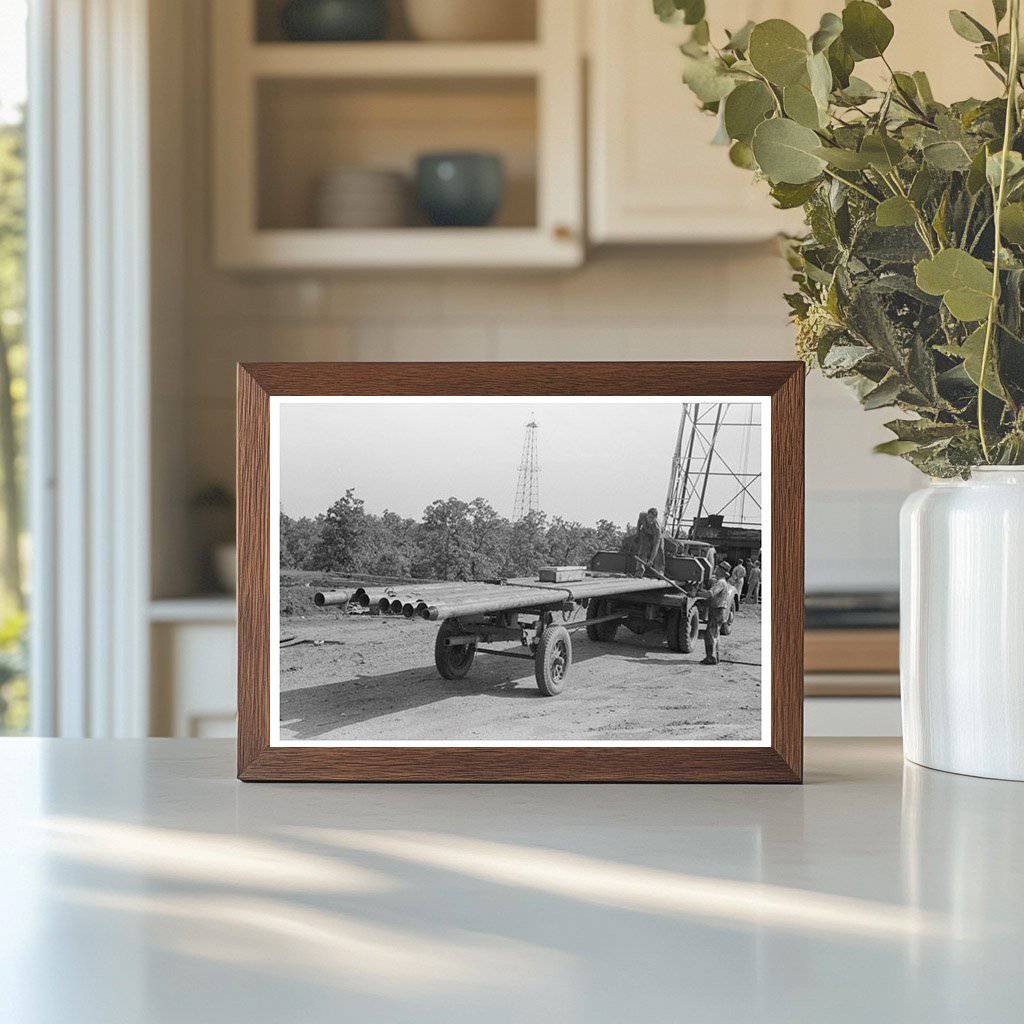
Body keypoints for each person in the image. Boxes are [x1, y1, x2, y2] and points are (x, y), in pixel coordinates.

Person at [698, 565, 732, 665]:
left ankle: (711, 658)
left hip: (717, 611)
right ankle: (715, 657)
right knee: (715, 634)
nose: (716, 570)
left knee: (710, 635)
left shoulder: (720, 582)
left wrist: (696, 594)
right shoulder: (722, 582)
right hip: (719, 611)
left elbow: (710, 594)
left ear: (722, 571)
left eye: (718, 569)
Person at [636, 507, 665, 575]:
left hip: (656, 535)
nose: (650, 520)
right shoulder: (642, 515)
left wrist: (651, 560)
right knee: (642, 548)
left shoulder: (657, 528)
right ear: (647, 515)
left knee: (660, 550)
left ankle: (659, 571)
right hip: (645, 532)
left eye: (652, 518)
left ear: (655, 518)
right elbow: (639, 523)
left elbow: (656, 546)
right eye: (649, 517)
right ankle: (639, 571)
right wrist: (637, 534)